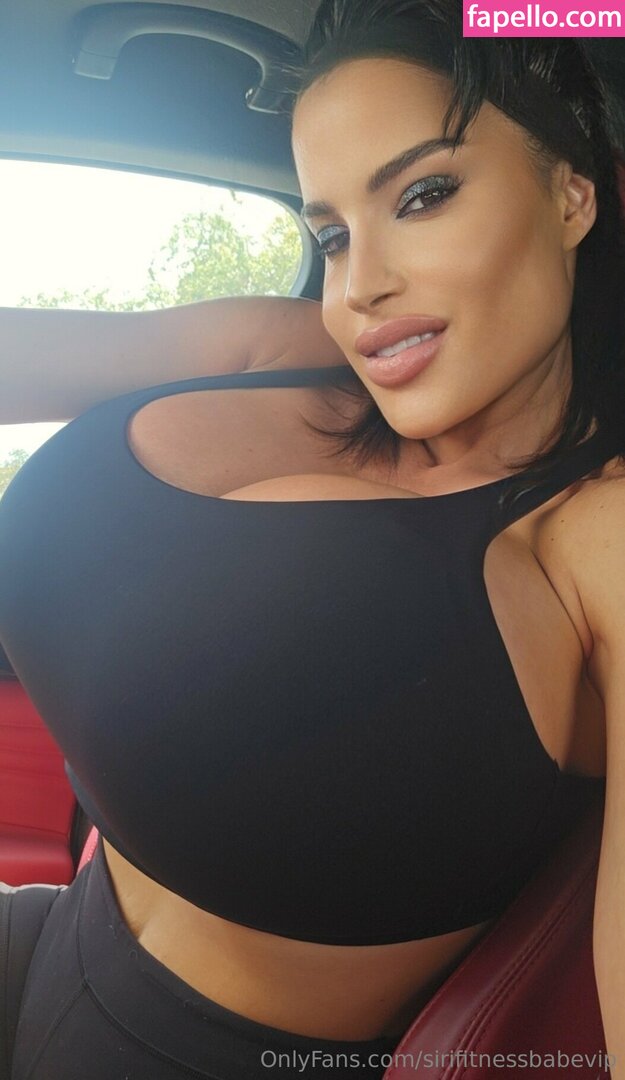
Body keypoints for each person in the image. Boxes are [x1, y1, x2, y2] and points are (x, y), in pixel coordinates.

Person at [1, 0, 625, 1075]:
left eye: (422, 196)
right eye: (330, 235)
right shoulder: (282, 347)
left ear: (571, 196)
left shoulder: (596, 537)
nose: (359, 285)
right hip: (47, 932)